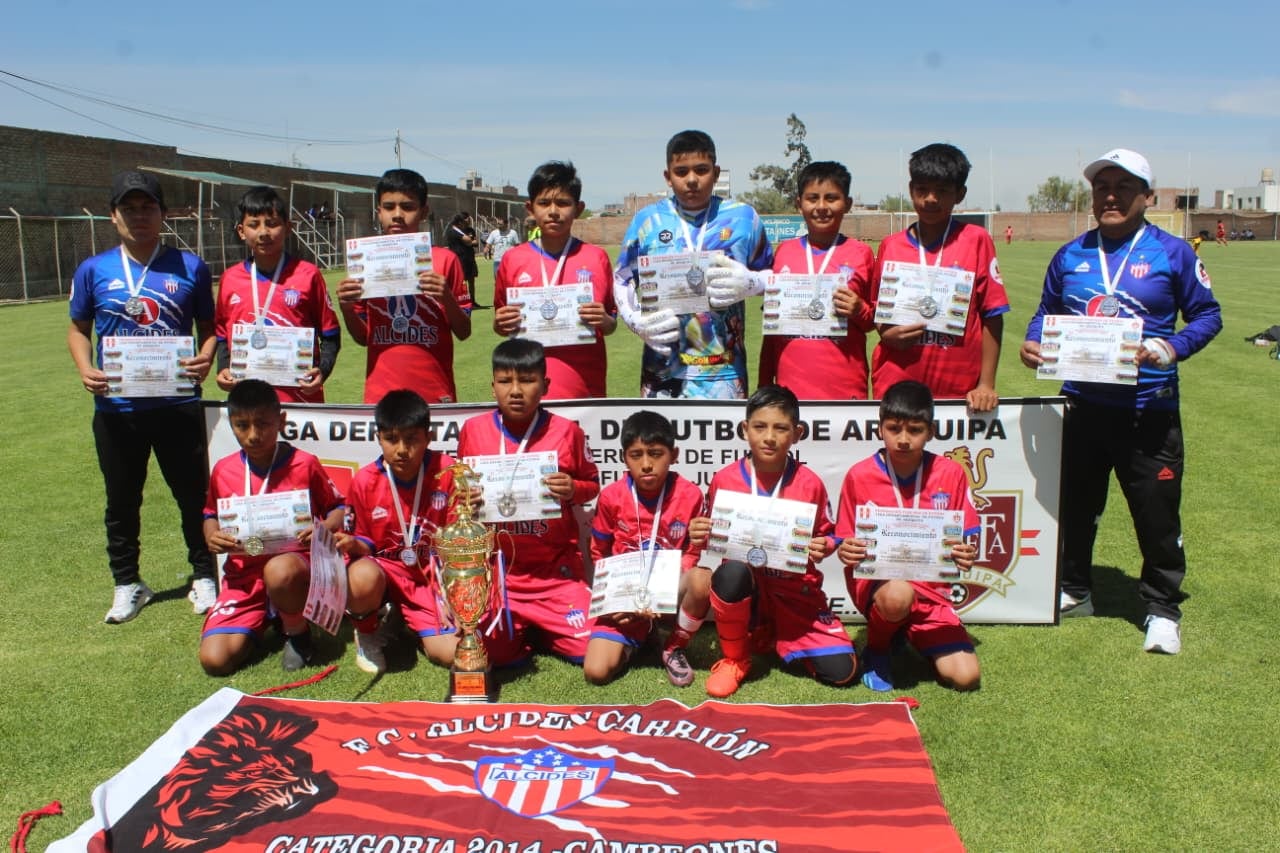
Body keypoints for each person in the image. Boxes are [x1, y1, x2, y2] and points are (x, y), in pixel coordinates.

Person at [1020, 148, 1222, 655]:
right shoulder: (1070, 254)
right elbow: (1045, 313)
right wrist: (1032, 342)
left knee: (1155, 513)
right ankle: (1076, 589)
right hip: (1083, 406)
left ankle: (1161, 607)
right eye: (1101, 188)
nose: (1110, 196)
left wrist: (1170, 346)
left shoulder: (1173, 252)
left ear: (1147, 197)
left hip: (1148, 410)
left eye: (1123, 188)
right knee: (1077, 504)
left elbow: (1207, 315)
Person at [67, 169, 220, 623]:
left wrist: (207, 356)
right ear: (113, 217)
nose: (138, 215)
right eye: (128, 208)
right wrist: (84, 367)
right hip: (117, 407)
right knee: (121, 498)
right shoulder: (93, 269)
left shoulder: (190, 266)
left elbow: (210, 330)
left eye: (147, 207)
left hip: (177, 405)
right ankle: (127, 582)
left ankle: (203, 575)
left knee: (193, 495)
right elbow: (78, 329)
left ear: (163, 214)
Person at [701, 385, 857, 697]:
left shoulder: (809, 483)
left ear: (797, 433)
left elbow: (827, 535)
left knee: (844, 672)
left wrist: (824, 546)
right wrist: (702, 531)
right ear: (745, 429)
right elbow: (714, 537)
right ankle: (735, 659)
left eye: (780, 428)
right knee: (730, 574)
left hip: (794, 594)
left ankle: (784, 639)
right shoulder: (725, 479)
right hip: (749, 589)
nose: (769, 437)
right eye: (760, 427)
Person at [456, 339, 600, 669]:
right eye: (506, 381)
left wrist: (572, 488)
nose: (516, 391)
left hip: (555, 574)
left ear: (546, 385)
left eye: (528, 380)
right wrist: (467, 497)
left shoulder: (567, 432)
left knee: (592, 649)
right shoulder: (473, 431)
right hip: (499, 573)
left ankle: (542, 629)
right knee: (490, 654)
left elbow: (592, 486)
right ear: (493, 386)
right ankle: (523, 631)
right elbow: (461, 492)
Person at [834, 380, 982, 692]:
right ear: (880, 429)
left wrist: (965, 553)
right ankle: (878, 649)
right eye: (894, 428)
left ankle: (908, 632)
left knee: (966, 677)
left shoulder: (950, 473)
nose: (903, 439)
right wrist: (846, 550)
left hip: (931, 591)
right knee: (898, 594)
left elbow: (965, 538)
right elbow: (844, 539)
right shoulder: (860, 475)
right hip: (883, 587)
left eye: (914, 430)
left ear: (930, 431)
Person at [199, 380, 346, 675]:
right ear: (231, 423)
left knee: (279, 571)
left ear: (281, 421)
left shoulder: (304, 464)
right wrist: (211, 535)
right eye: (242, 425)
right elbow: (210, 513)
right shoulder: (224, 470)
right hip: (245, 577)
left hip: (294, 568)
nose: (253, 435)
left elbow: (337, 509)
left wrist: (323, 529)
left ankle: (297, 632)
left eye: (263, 424)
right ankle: (266, 617)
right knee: (215, 660)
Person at [614, 129, 773, 399]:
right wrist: (635, 321)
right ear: (667, 176)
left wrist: (753, 282)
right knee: (659, 442)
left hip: (724, 371)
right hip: (662, 369)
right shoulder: (648, 220)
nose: (691, 180)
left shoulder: (744, 218)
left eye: (701, 170)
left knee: (726, 442)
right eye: (681, 171)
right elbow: (622, 278)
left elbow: (772, 275)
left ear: (716, 171)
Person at [869, 143, 1010, 412]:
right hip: (897, 380)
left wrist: (986, 383)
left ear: (960, 194)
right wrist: (888, 335)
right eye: (922, 189)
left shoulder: (976, 240)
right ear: (911, 190)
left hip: (957, 384)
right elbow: (880, 313)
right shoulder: (891, 245)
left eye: (942, 191)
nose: (931, 198)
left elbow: (993, 314)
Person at [340, 389, 465, 674]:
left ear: (428, 437)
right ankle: (368, 632)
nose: (401, 450)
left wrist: (457, 596)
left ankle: (408, 620)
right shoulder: (364, 481)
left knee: (454, 653)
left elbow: (460, 542)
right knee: (360, 576)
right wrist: (352, 544)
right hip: (386, 571)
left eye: (412, 439)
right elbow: (364, 542)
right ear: (378, 438)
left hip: (430, 577)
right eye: (391, 439)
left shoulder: (450, 473)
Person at [585, 411, 710, 686]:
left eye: (655, 453)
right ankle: (640, 638)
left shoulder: (690, 495)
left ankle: (673, 645)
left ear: (674, 454)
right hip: (626, 595)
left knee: (701, 580)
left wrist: (661, 591)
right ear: (623, 458)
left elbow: (691, 550)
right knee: (596, 672)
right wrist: (614, 600)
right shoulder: (612, 496)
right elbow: (599, 552)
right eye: (636, 455)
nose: (646, 464)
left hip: (667, 592)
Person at [337, 169, 472, 404]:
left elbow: (464, 331)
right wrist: (347, 309)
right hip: (381, 395)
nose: (397, 215)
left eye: (407, 207)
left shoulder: (445, 259)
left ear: (424, 211)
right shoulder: (365, 261)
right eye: (389, 207)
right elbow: (363, 338)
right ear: (378, 212)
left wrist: (446, 298)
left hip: (434, 393)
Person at [492, 161, 617, 399]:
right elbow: (501, 325)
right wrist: (500, 324)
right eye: (544, 203)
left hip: (585, 387)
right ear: (530, 208)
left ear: (578, 208)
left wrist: (605, 321)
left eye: (562, 203)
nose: (553, 211)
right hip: (529, 391)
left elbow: (611, 323)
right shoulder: (512, 259)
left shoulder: (596, 257)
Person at [757, 161, 875, 399]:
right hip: (789, 391)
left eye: (831, 198)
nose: (822, 207)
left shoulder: (861, 253)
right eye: (813, 198)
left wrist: (859, 309)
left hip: (845, 389)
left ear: (848, 204)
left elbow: (876, 322)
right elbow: (771, 331)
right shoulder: (784, 253)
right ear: (799, 204)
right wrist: (763, 382)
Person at [214, 186, 341, 403]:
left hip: (299, 401)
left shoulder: (308, 274)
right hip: (249, 403)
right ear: (242, 231)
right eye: (254, 225)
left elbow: (330, 335)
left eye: (272, 224)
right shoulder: (229, 279)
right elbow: (222, 336)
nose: (264, 232)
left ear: (288, 227)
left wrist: (322, 371)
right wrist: (224, 368)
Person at [447, 212, 485, 308]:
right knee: (461, 282)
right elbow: (468, 241)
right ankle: (461, 302)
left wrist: (471, 242)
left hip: (470, 259)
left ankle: (473, 301)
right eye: (465, 220)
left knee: (471, 281)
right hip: (460, 260)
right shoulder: (453, 231)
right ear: (460, 222)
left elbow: (475, 243)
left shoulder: (470, 230)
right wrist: (470, 241)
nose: (467, 222)